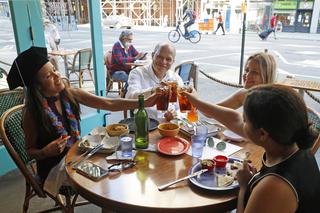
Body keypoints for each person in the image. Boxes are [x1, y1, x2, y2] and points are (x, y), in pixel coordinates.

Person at [6, 46, 159, 196]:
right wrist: (45, 151)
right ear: (37, 87)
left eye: (54, 69)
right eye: (48, 76)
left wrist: (145, 103)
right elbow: (30, 152)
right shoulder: (32, 113)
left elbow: (110, 104)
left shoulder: (70, 94)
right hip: (55, 168)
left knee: (122, 165)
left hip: (80, 154)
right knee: (112, 182)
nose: (56, 75)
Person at [183, 84, 320, 212]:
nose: (241, 122)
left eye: (245, 120)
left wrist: (244, 186)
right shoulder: (294, 143)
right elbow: (234, 119)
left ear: (262, 134)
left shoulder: (274, 186)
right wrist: (196, 102)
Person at [125, 42, 184, 119]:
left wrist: (175, 115)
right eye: (159, 57)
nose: (163, 62)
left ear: (173, 62)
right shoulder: (138, 73)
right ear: (153, 55)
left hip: (168, 125)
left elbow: (181, 108)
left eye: (168, 59)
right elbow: (129, 97)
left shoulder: (176, 79)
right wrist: (153, 90)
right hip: (145, 123)